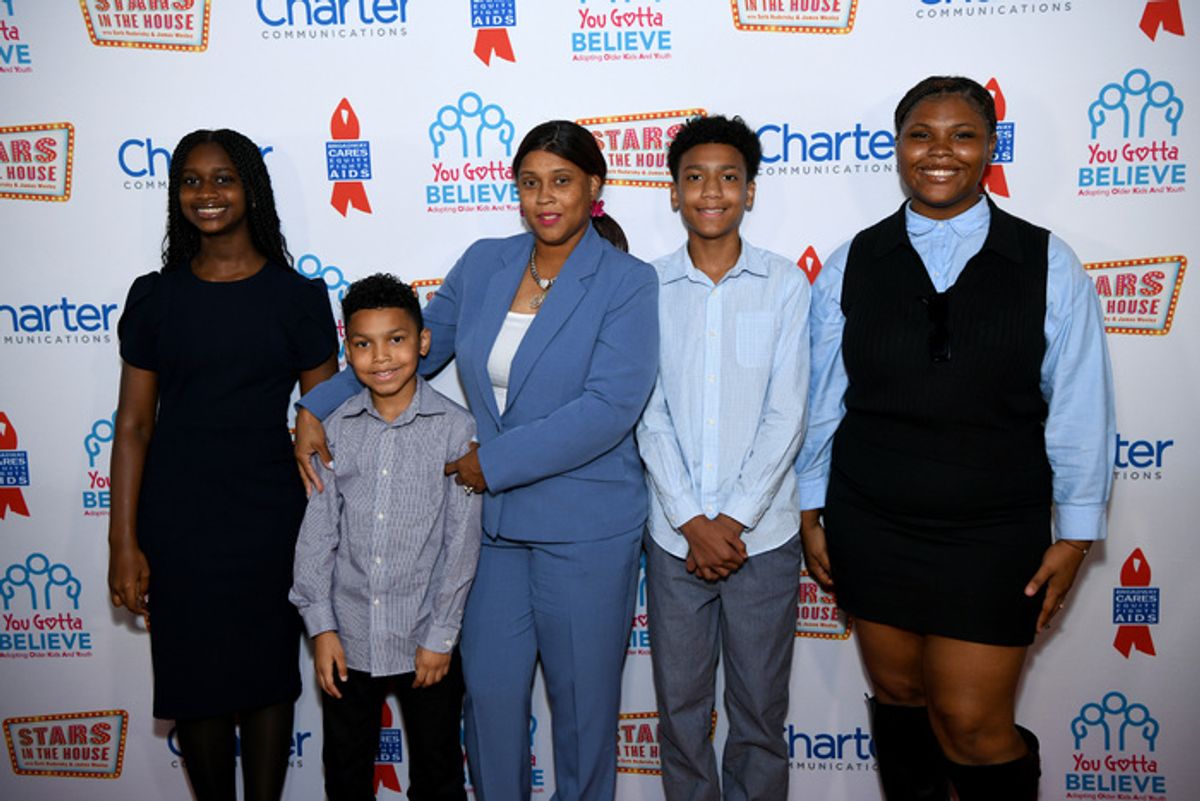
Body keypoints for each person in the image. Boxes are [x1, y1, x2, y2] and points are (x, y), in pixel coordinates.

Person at [294, 120, 659, 801]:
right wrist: (315, 406)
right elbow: (412, 351)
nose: (544, 198)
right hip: (490, 531)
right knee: (488, 708)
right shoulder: (486, 263)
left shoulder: (627, 282)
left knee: (582, 715)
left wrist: (490, 461)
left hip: (583, 527)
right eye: (530, 183)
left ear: (595, 188)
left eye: (562, 181)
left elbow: (609, 407)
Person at [796, 76, 1115, 801]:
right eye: (921, 134)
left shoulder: (1046, 261)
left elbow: (1081, 406)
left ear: (991, 148)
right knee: (904, 698)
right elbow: (822, 400)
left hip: (995, 529)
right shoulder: (852, 261)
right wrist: (812, 507)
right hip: (872, 518)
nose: (940, 151)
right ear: (899, 148)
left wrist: (1076, 534)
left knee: (972, 724)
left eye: (962, 134)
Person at [107, 129, 339, 801]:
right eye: (191, 180)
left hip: (270, 517)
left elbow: (324, 423)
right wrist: (123, 540)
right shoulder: (156, 297)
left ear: (251, 190)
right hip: (176, 520)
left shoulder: (298, 298)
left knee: (268, 677)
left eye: (222, 178)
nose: (206, 194)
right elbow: (133, 424)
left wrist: (329, 538)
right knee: (197, 684)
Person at [636, 115, 809, 801]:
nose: (713, 191)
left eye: (729, 177)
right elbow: (647, 413)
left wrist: (732, 518)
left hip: (762, 540)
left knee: (760, 716)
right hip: (673, 540)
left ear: (751, 191)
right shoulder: (642, 287)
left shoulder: (784, 284)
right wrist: (690, 519)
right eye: (695, 177)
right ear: (673, 192)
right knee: (679, 716)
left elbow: (787, 411)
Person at [290, 273, 481, 801]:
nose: (381, 357)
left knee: (438, 775)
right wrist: (322, 628)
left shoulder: (456, 429)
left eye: (396, 339)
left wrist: (440, 636)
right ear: (347, 350)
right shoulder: (338, 429)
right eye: (363, 344)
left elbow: (460, 545)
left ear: (422, 342)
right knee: (347, 775)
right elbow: (317, 537)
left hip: (427, 641)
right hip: (348, 640)